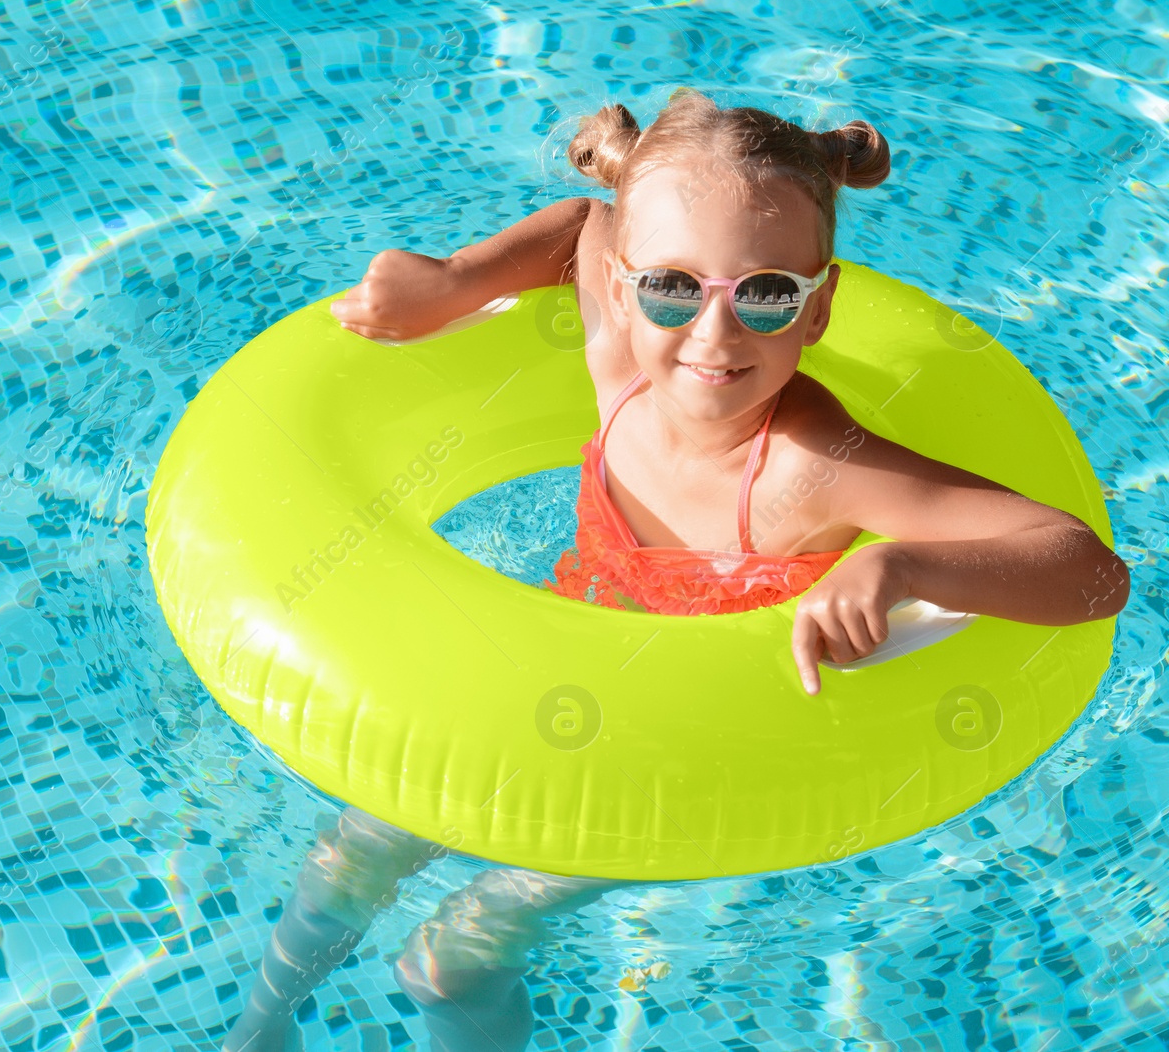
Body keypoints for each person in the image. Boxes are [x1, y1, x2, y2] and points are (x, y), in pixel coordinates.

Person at [220, 88, 1131, 1052]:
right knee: (346, 854)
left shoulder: (814, 466)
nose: (713, 334)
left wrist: (901, 564)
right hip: (547, 673)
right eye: (671, 287)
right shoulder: (617, 362)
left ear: (819, 310)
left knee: (444, 959)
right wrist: (453, 280)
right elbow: (584, 222)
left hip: (667, 752)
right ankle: (263, 1025)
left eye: (769, 293)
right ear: (620, 289)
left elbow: (1087, 572)